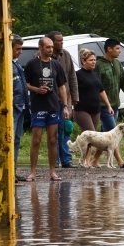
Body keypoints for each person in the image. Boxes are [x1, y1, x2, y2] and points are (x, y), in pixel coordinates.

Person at [23, 37, 70, 181]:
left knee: (52, 139)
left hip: (54, 106)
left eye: (51, 47)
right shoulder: (32, 64)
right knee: (36, 139)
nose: (50, 49)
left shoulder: (56, 65)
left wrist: (66, 106)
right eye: (47, 47)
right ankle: (32, 172)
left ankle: (52, 172)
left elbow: (62, 86)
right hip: (38, 106)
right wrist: (37, 89)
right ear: (40, 47)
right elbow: (25, 84)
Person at [38, 31, 79, 168]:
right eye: (59, 41)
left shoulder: (65, 55)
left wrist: (74, 100)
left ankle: (66, 160)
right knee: (52, 132)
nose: (61, 43)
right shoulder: (38, 57)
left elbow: (72, 77)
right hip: (47, 99)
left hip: (64, 98)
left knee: (65, 129)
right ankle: (54, 161)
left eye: (62, 41)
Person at [94, 38, 124, 168]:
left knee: (105, 133)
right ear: (109, 49)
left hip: (115, 104)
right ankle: (120, 161)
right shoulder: (98, 65)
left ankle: (94, 160)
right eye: (117, 48)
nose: (120, 51)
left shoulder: (117, 64)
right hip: (103, 105)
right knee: (114, 133)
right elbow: (95, 86)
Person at [73, 48, 114, 167]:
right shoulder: (78, 75)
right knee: (91, 136)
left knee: (93, 137)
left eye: (94, 60)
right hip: (82, 109)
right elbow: (72, 90)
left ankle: (87, 161)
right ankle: (85, 162)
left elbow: (101, 91)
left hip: (96, 110)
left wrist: (108, 105)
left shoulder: (95, 74)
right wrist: (69, 106)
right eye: (91, 60)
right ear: (83, 61)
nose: (93, 62)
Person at [11, 34, 30, 181]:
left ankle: (13, 170)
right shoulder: (7, 64)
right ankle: (9, 170)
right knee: (10, 139)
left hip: (20, 106)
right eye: (18, 48)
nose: (20, 51)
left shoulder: (15, 64)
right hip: (13, 107)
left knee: (16, 139)